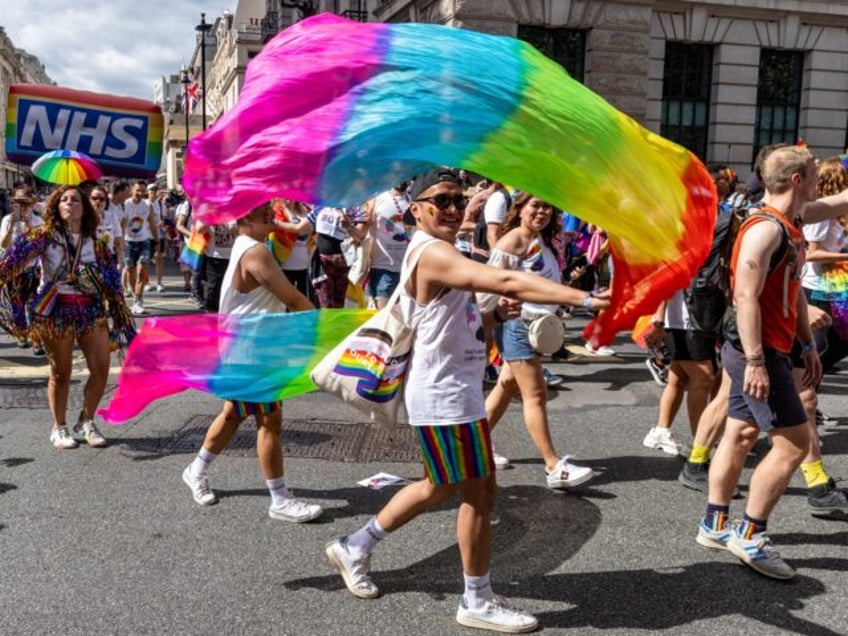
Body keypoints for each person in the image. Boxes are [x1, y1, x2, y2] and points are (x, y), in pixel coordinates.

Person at [325, 169, 609, 633]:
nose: (454, 208)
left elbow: (467, 321)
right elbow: (507, 281)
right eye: (441, 201)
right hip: (444, 396)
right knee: (479, 493)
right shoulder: (432, 252)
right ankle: (476, 599)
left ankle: (355, 545)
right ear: (415, 209)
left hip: (454, 390)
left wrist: (494, 315)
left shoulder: (446, 249)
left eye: (459, 200)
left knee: (439, 487)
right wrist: (586, 299)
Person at [696, 145, 821, 580]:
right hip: (754, 349)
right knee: (793, 443)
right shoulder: (764, 229)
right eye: (815, 172)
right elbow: (746, 296)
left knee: (742, 430)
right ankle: (750, 534)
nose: (821, 178)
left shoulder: (790, 223)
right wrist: (755, 362)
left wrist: (806, 345)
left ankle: (714, 523)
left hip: (770, 347)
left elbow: (792, 291)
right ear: (797, 180)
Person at [181, 201, 322, 521]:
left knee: (233, 414)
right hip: (250, 351)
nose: (271, 213)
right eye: (264, 210)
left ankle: (196, 469)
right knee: (269, 421)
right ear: (245, 216)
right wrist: (329, 331)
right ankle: (280, 498)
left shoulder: (253, 245)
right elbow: (294, 299)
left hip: (250, 347)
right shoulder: (256, 252)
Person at [480, 192, 603, 485]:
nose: (542, 211)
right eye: (535, 205)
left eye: (548, 206)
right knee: (536, 395)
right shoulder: (513, 241)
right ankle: (552, 466)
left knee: (507, 385)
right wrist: (485, 326)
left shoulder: (541, 242)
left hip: (536, 327)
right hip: (518, 326)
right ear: (519, 209)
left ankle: (473, 447)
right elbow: (489, 287)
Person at [0, 185, 135, 449]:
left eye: (75, 200)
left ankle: (86, 420)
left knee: (101, 369)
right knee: (61, 373)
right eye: (64, 199)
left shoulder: (96, 242)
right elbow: (10, 264)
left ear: (84, 208)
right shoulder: (43, 237)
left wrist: (120, 314)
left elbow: (112, 283)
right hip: (56, 312)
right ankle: (59, 427)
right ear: (55, 207)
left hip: (92, 310)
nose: (69, 203)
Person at [641, 291, 716, 456]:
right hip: (683, 322)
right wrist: (659, 323)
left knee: (677, 378)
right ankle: (700, 442)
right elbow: (666, 281)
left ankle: (661, 431)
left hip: (689, 320)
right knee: (703, 379)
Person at [276, 205, 367, 308]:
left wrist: (349, 226)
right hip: (322, 262)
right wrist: (275, 223)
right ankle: (325, 323)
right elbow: (299, 227)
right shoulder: (321, 207)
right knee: (325, 301)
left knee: (339, 302)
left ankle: (334, 324)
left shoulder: (355, 208)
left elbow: (361, 235)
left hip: (343, 262)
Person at [364, 183, 411, 308]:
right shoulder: (377, 199)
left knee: (401, 322)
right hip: (382, 269)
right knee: (382, 320)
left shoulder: (413, 200)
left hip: (407, 270)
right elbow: (362, 230)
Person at [122, 182, 158, 315]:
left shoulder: (148, 205)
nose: (140, 193)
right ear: (132, 190)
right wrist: (119, 242)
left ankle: (137, 301)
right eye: (137, 190)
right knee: (130, 272)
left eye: (142, 191)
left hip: (144, 242)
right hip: (128, 242)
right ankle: (135, 294)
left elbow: (153, 224)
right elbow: (123, 223)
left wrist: (157, 240)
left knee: (142, 271)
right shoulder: (125, 204)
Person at [145, 183, 166, 293]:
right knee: (146, 260)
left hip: (158, 235)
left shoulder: (161, 204)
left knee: (159, 259)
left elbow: (164, 219)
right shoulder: (144, 204)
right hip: (146, 236)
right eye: (151, 192)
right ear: (147, 193)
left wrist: (163, 223)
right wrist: (152, 225)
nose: (153, 194)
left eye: (155, 192)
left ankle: (159, 282)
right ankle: (147, 282)